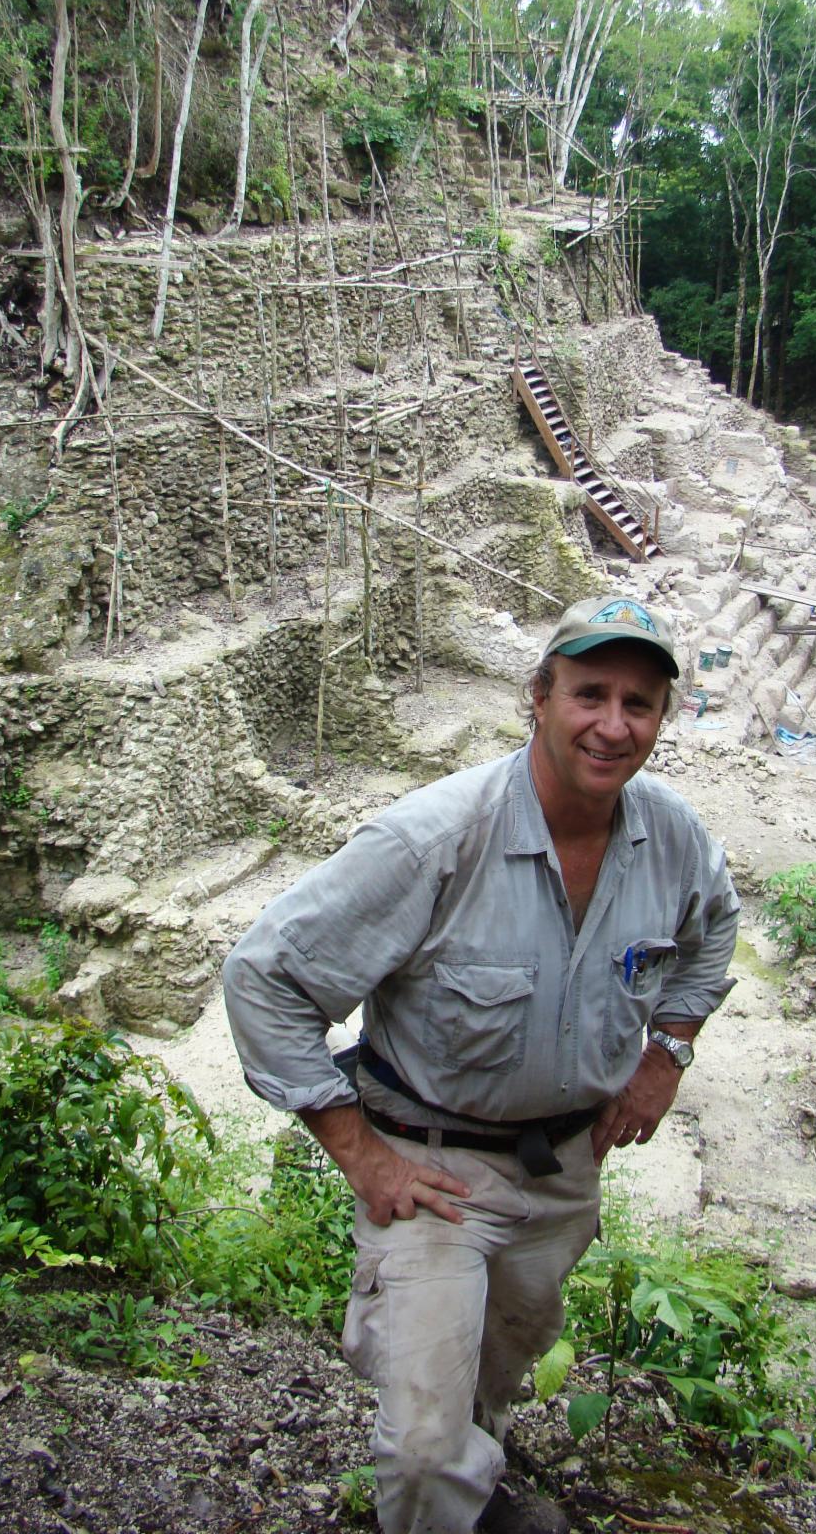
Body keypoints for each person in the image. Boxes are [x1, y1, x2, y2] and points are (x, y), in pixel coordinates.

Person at [223, 595, 739, 1534]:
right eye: (590, 694)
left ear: (665, 718)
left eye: (640, 703)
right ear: (537, 697)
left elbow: (712, 936)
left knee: (492, 1379)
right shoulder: (435, 838)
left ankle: (476, 1485)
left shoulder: (672, 839)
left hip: (562, 1177)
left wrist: (666, 1053)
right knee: (421, 1444)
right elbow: (264, 979)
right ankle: (436, 1498)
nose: (613, 726)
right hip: (433, 1174)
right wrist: (360, 1154)